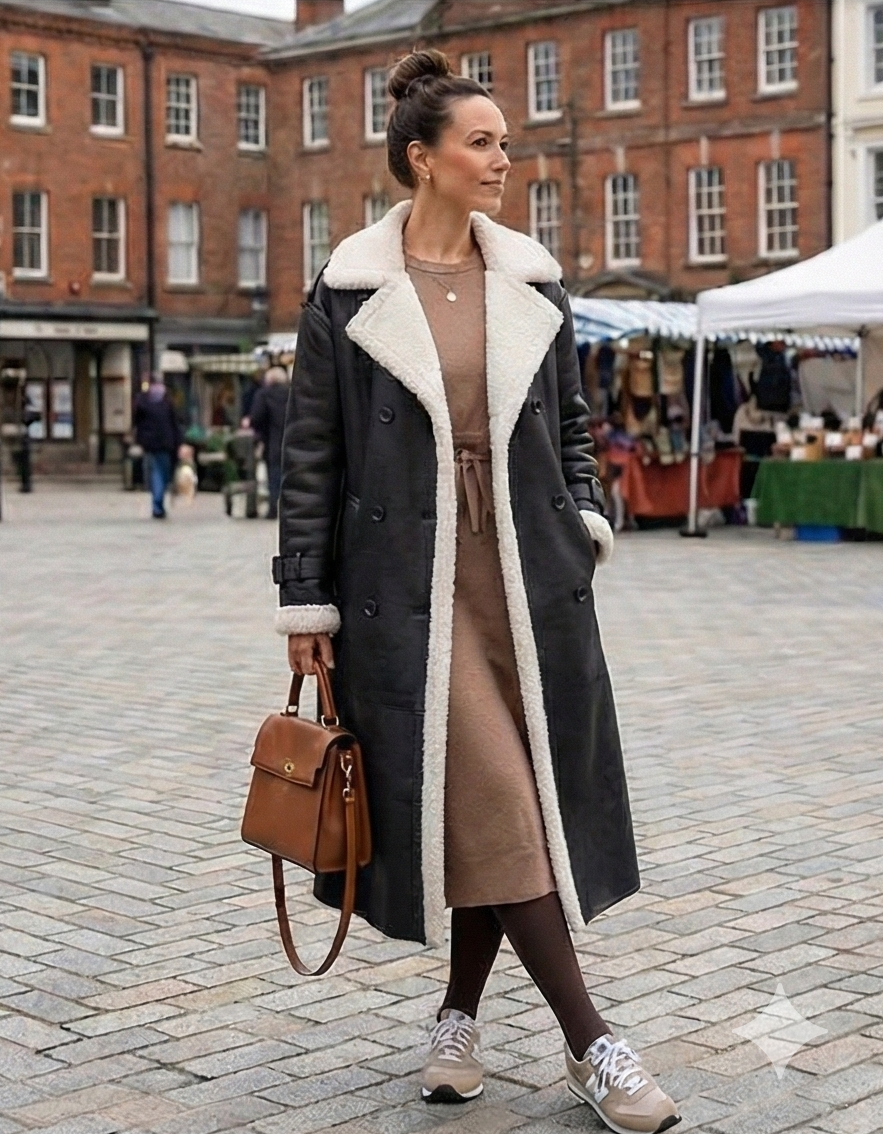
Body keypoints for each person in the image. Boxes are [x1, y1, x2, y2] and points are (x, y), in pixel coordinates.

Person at [273, 50, 679, 1134]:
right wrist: (305, 603)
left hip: (527, 579)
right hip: (405, 586)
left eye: (505, 142)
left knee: (503, 806)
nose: (505, 159)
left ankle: (456, 1018)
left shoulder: (532, 281)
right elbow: (309, 459)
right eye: (483, 142)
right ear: (423, 159)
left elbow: (573, 427)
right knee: (498, 793)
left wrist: (583, 518)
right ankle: (592, 1042)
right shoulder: (349, 291)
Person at [133, 375, 182, 519]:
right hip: (165, 442)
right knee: (161, 473)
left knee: (156, 472)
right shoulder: (167, 401)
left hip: (149, 442)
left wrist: (139, 439)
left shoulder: (143, 400)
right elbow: (174, 423)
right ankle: (158, 506)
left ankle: (157, 504)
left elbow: (137, 422)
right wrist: (179, 441)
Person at [249, 356, 290, 520]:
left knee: (274, 475)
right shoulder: (292, 393)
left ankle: (273, 508)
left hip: (272, 442)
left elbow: (256, 418)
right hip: (292, 441)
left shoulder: (264, 395)